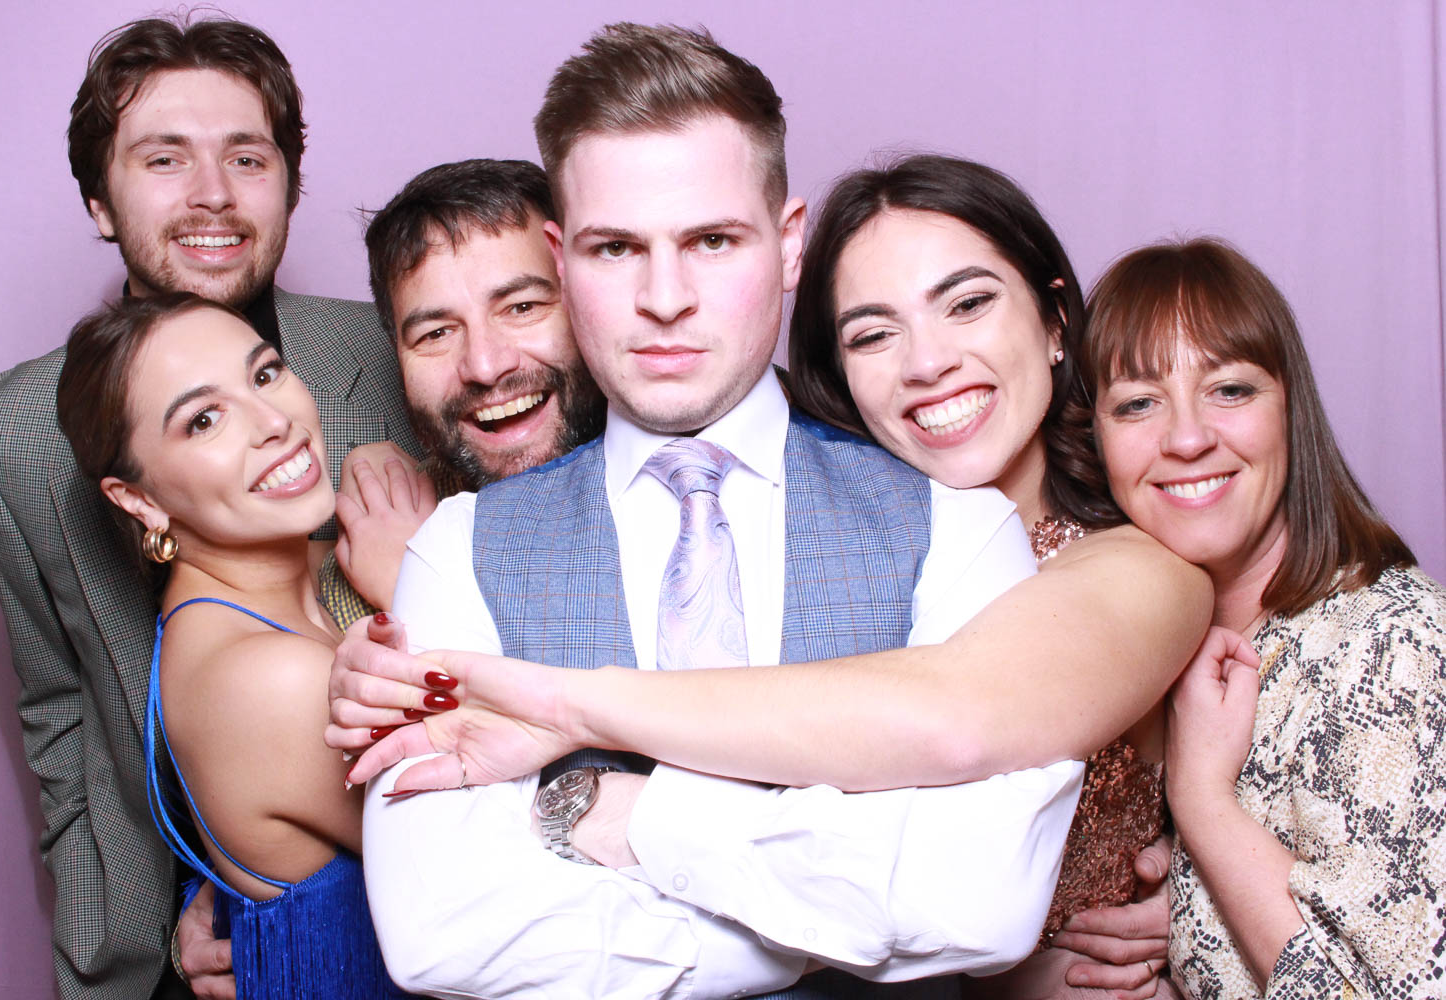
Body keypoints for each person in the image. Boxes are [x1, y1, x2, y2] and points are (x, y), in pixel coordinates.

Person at [335, 156, 1213, 998]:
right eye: (873, 331)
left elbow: (954, 744)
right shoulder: (468, 544)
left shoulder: (1137, 568)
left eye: (969, 304)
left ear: (1056, 322)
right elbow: (439, 930)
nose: (928, 361)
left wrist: (608, 795)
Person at [0, 15, 417, 998]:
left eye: (247, 156)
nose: (212, 195)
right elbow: (59, 708)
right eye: (163, 158)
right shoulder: (9, 431)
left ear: (288, 184)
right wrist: (184, 907)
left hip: (409, 897)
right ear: (97, 199)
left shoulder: (392, 349)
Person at [1084, 237, 1446, 999]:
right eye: (1139, 404)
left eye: (1230, 390)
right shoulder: (1147, 656)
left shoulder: (1391, 647)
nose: (1186, 438)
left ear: (1291, 411)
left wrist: (1203, 805)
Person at [56, 293, 399, 998]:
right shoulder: (268, 679)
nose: (275, 423)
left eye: (266, 374)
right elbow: (499, 866)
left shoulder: (282, 583)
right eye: (204, 419)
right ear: (139, 500)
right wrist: (418, 583)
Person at [326, 158, 607, 619]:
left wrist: (420, 596)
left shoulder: (708, 485)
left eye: (521, 307)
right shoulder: (371, 557)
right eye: (436, 333)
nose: (484, 365)